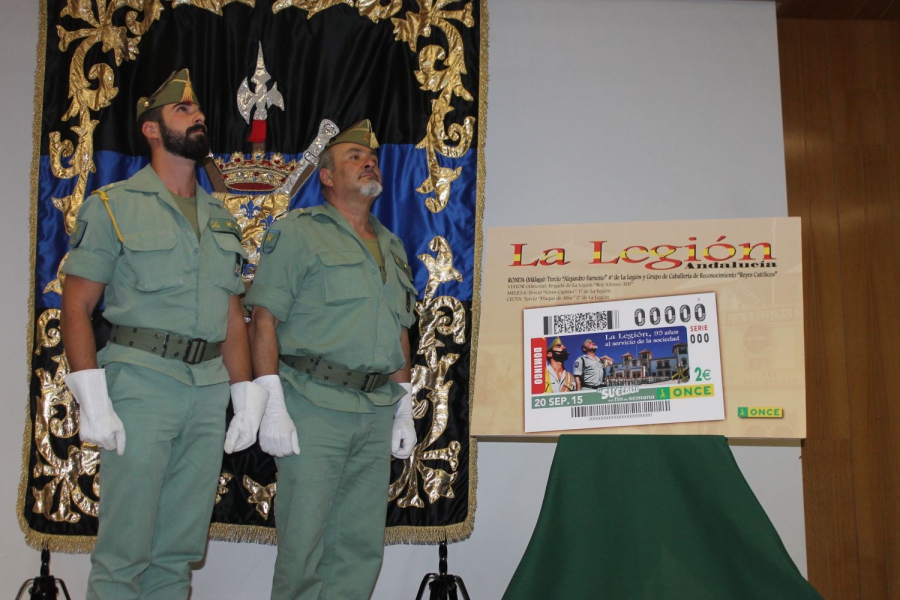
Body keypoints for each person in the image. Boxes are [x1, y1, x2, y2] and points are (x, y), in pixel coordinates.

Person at [60, 69, 269, 600]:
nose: (198, 116)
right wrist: (92, 399)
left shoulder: (220, 217)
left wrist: (244, 396)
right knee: (124, 554)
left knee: (177, 554)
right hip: (141, 383)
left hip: (205, 389)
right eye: (182, 111)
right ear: (151, 129)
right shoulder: (114, 205)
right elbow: (77, 306)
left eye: (198, 111)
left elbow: (230, 315)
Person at [246, 119, 418, 600]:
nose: (369, 163)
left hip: (375, 408)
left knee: (360, 549)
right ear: (326, 175)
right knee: (304, 546)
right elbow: (263, 319)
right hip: (313, 405)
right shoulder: (300, 233)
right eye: (354, 157)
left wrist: (403, 404)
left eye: (373, 159)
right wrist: (271, 401)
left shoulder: (391, 245)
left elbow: (398, 329)